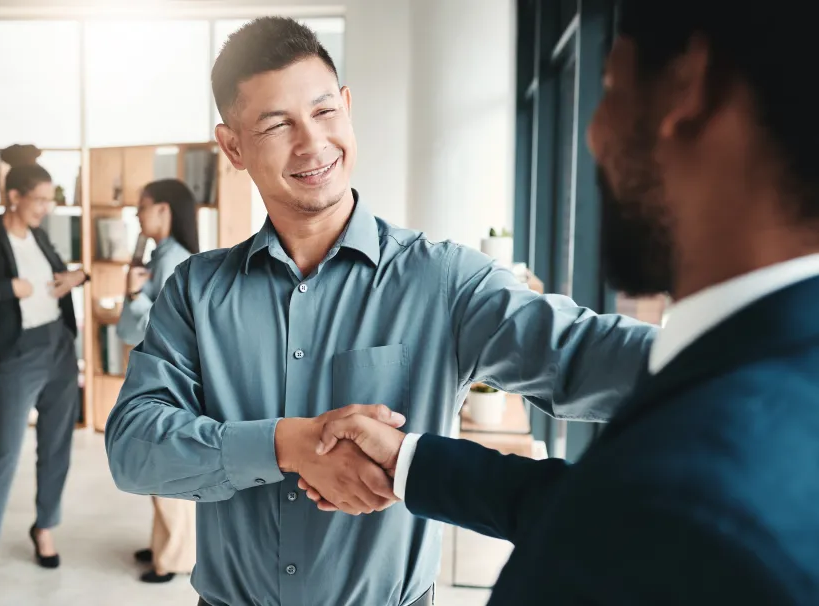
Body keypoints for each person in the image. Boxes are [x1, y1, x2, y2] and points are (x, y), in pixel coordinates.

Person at [104, 17, 656, 606]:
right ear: (233, 146)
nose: (312, 142)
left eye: (323, 112)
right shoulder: (196, 291)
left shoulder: (442, 279)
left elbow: (581, 353)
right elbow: (134, 449)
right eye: (276, 124)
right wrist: (288, 444)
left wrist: (739, 346)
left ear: (346, 107)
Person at [304, 1, 819, 604]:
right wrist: (416, 463)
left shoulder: (690, 507)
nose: (595, 134)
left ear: (688, 86)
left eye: (608, 88)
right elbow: (620, 515)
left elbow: (642, 518)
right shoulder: (772, 377)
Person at [0, 144, 89, 594]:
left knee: (56, 445)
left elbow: (62, 275)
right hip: (18, 354)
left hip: (60, 348)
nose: (47, 209)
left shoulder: (41, 236)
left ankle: (44, 526)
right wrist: (6, 287)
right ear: (14, 196)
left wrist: (77, 278)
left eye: (50, 200)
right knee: (6, 452)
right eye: (40, 200)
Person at [116, 178, 199, 584]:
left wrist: (135, 296)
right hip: (157, 374)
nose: (137, 214)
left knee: (166, 464)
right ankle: (163, 546)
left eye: (143, 206)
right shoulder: (158, 255)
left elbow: (165, 327)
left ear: (165, 210)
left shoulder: (174, 260)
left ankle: (175, 557)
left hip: (170, 378)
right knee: (156, 463)